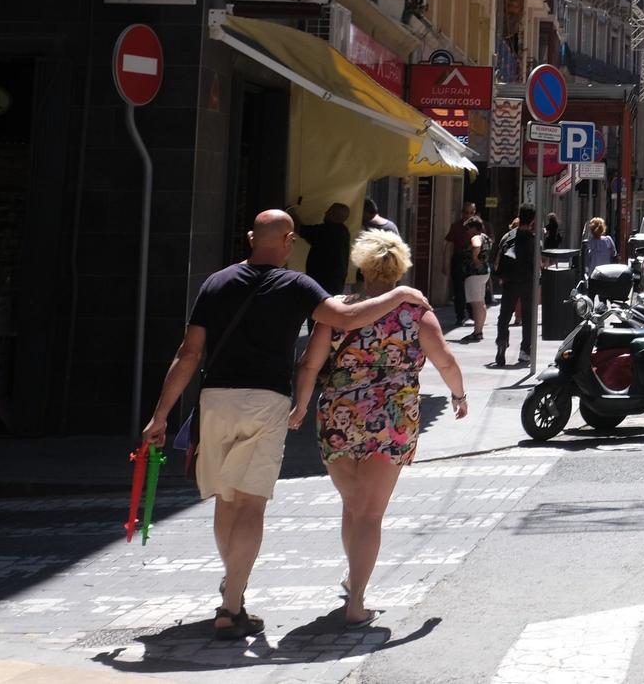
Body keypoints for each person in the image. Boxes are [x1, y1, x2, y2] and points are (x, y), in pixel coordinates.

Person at [140, 210, 429, 641]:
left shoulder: (215, 283)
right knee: (251, 503)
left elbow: (188, 353)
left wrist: (160, 416)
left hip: (214, 399)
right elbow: (345, 318)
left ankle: (232, 586)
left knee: (226, 498)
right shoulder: (296, 284)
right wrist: (401, 292)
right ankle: (231, 604)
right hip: (265, 402)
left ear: (251, 237)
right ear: (289, 241)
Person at [289, 230, 468, 628]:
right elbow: (446, 362)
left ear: (361, 266)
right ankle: (356, 600)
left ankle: (354, 580)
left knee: (353, 507)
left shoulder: (337, 311)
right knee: (370, 514)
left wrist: (300, 405)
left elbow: (310, 364)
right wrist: (458, 395)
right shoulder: (415, 312)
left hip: (338, 415)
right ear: (399, 267)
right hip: (392, 418)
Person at [490, 205, 538, 368]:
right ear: (533, 220)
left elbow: (496, 258)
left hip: (509, 281)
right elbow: (539, 262)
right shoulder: (533, 239)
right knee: (528, 316)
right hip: (527, 282)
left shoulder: (507, 236)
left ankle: (502, 342)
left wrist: (501, 276)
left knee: (504, 315)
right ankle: (525, 350)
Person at [289, 203, 352, 294]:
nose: (325, 212)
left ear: (333, 215)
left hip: (322, 282)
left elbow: (300, 229)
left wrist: (291, 213)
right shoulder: (343, 231)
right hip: (335, 282)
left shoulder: (327, 231)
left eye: (329, 211)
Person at [444, 202, 483, 329]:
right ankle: (460, 316)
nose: (468, 215)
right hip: (459, 259)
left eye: (471, 213)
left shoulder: (478, 226)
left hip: (472, 260)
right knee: (459, 290)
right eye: (466, 213)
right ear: (462, 213)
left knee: (472, 289)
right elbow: (448, 245)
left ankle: (472, 315)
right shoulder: (456, 226)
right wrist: (445, 263)